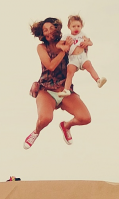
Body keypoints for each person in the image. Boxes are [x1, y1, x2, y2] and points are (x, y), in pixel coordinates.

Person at [24, 17, 93, 149]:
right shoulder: (41, 47)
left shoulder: (66, 41)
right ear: (42, 33)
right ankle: (36, 132)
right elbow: (50, 66)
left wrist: (84, 45)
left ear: (57, 29)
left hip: (64, 90)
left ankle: (65, 126)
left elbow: (80, 58)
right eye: (45, 30)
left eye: (51, 28)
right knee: (45, 119)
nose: (49, 32)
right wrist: (64, 50)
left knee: (85, 118)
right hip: (46, 90)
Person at [58, 14, 106, 96]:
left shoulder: (82, 35)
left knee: (89, 66)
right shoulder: (67, 36)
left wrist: (86, 43)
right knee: (69, 72)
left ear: (81, 26)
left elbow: (91, 43)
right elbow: (58, 45)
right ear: (69, 27)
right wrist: (64, 46)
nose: (76, 28)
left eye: (78, 26)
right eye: (73, 26)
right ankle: (66, 90)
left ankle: (98, 80)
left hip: (82, 56)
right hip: (73, 58)